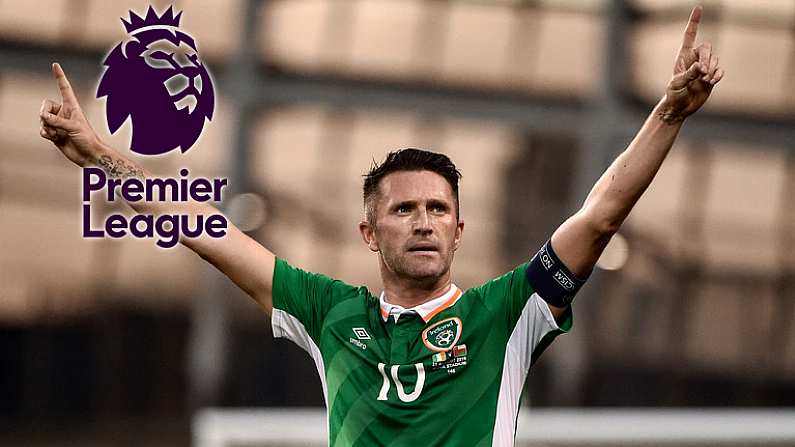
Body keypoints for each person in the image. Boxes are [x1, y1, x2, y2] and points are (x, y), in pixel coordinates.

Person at [39, 6, 723, 446]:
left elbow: (600, 213)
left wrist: (668, 112)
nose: (423, 222)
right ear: (369, 233)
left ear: (459, 230)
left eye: (437, 210)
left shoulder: (506, 313)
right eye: (403, 209)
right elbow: (207, 231)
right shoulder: (330, 312)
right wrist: (98, 154)